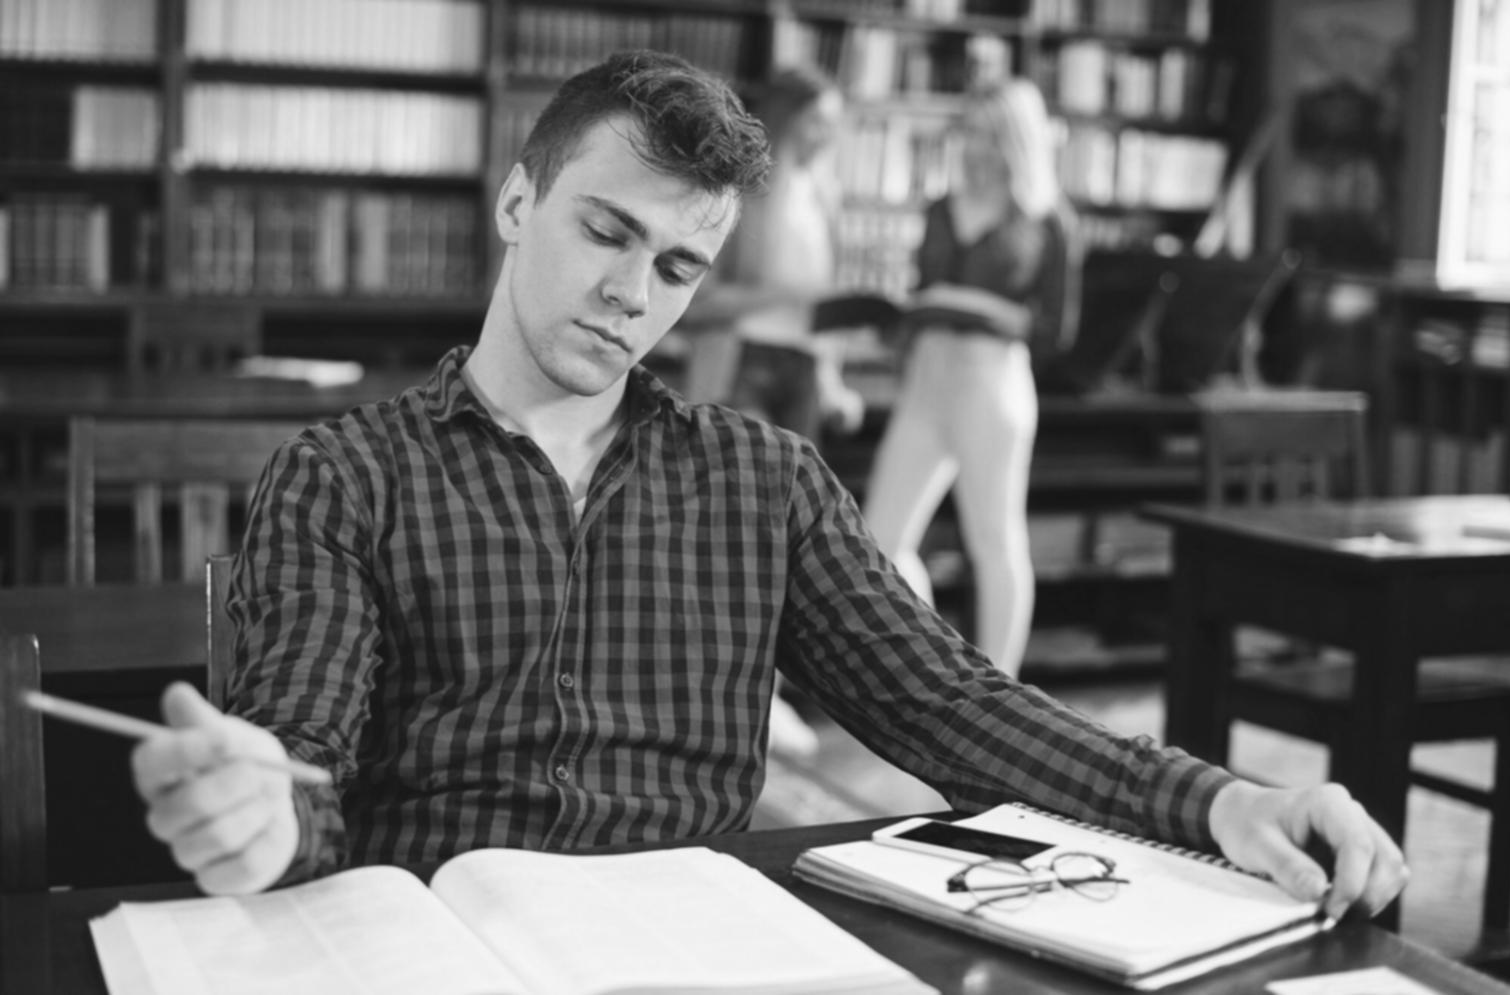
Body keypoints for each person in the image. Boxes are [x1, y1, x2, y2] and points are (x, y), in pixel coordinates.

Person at [131, 51, 1407, 926]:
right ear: (520, 201)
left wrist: (1225, 798)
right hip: (439, 949)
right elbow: (299, 770)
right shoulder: (346, 474)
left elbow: (950, 707)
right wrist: (257, 815)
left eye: (682, 266)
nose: (637, 294)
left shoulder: (761, 478)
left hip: (704, 948)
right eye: (608, 231)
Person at [863, 78, 1077, 678]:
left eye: (993, 135)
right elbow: (917, 300)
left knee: (995, 541)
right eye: (972, 133)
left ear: (1018, 141)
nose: (979, 148)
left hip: (994, 389)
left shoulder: (1048, 219)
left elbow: (1057, 330)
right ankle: (939, 670)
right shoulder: (938, 208)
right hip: (927, 384)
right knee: (881, 539)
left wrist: (984, 309)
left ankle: (1000, 690)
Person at [677, 63, 865, 441]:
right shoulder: (739, 194)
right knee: (743, 483)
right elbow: (696, 302)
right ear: (784, 118)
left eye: (834, 123)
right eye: (815, 121)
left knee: (794, 493)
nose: (826, 135)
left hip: (804, 364)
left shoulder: (824, 197)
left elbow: (821, 313)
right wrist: (786, 294)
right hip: (742, 359)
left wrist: (832, 382)